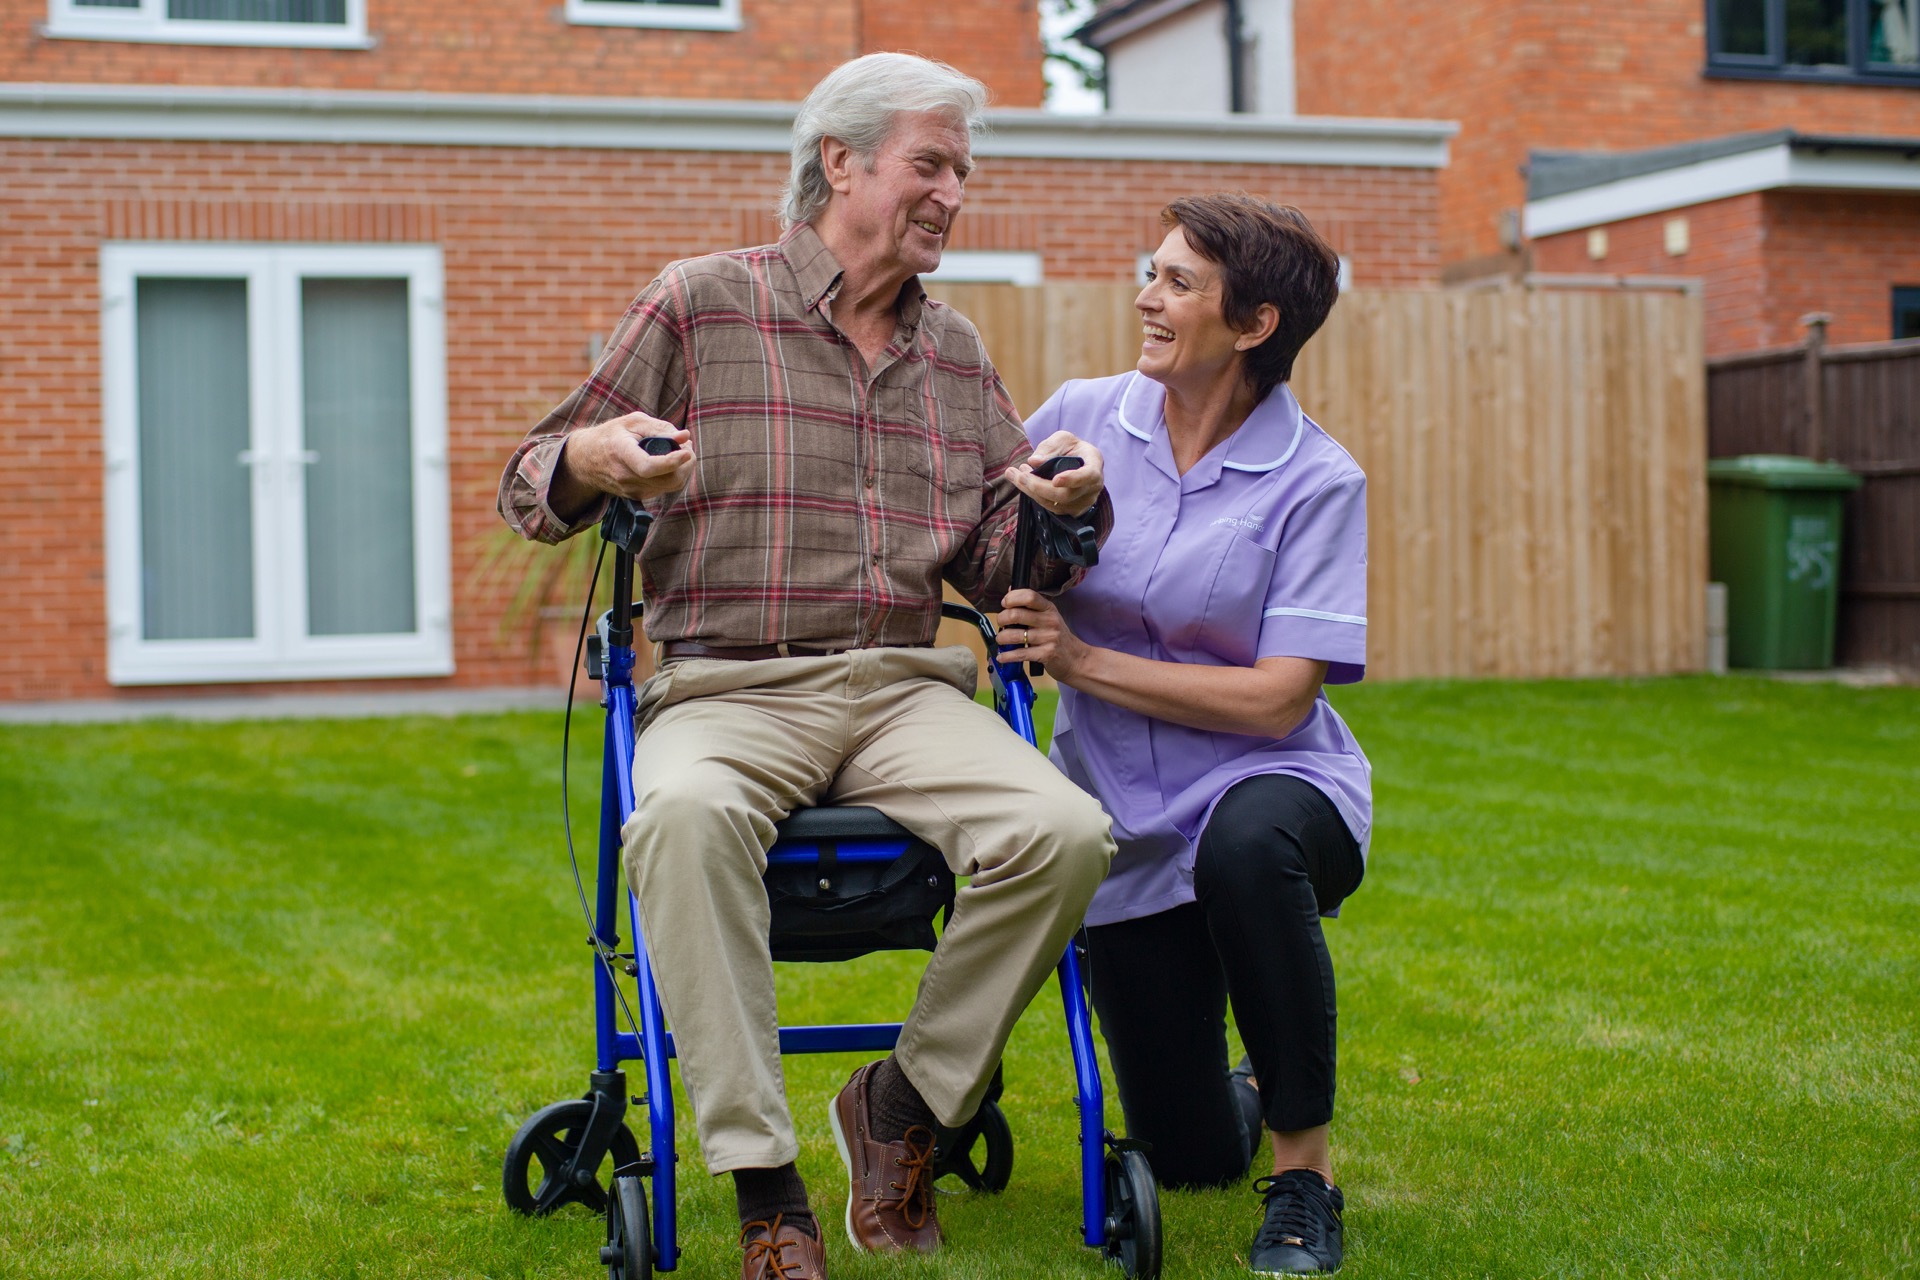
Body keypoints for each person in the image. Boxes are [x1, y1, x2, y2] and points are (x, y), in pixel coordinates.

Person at [497, 52, 1117, 1280]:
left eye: (962, 172)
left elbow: (998, 562)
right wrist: (598, 459)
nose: (952, 192)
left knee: (1070, 831)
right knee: (676, 815)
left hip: (900, 686)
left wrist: (1066, 507)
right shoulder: (700, 302)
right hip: (727, 687)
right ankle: (763, 1182)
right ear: (842, 159)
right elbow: (531, 484)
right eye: (930, 164)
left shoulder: (953, 351)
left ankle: (900, 1105)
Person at [995, 193, 1369, 1277]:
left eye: (1176, 283)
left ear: (1253, 325)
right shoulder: (1084, 414)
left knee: (1248, 847)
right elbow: (975, 533)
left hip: (1278, 785)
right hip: (1123, 816)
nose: (1145, 298)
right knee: (1189, 1150)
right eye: (1148, 272)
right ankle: (1246, 1099)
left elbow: (1277, 701)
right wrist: (1046, 521)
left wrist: (1078, 660)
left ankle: (1306, 1179)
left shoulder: (1316, 478)